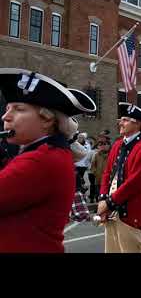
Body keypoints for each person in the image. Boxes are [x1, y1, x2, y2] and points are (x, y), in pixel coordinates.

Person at [0, 68, 96, 252]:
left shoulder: (41, 159)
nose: (6, 117)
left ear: (47, 119)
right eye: (7, 109)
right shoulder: (47, 153)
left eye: (18, 109)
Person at [97, 102, 141, 253]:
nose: (120, 123)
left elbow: (134, 183)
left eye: (125, 120)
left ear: (137, 124)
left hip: (130, 214)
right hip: (111, 211)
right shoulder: (117, 145)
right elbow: (107, 173)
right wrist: (103, 198)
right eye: (121, 120)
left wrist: (109, 203)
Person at [90, 139, 111, 203]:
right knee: (98, 194)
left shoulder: (112, 154)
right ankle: (98, 207)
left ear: (109, 145)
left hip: (108, 179)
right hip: (98, 178)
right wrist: (95, 173)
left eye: (105, 144)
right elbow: (93, 166)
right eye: (101, 144)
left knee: (108, 195)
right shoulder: (97, 155)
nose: (103, 146)